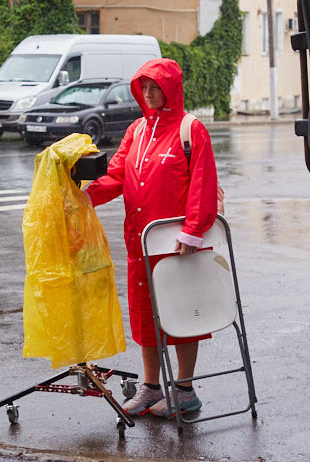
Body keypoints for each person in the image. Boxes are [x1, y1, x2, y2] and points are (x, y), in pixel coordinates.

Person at [85, 57, 219, 417]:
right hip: (139, 243)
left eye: (155, 86)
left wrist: (193, 232)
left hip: (176, 246)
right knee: (146, 317)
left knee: (180, 315)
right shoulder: (137, 131)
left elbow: (203, 184)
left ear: (170, 88)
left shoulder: (191, 130)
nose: (148, 92)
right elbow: (116, 175)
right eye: (143, 87)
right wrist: (86, 197)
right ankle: (150, 388)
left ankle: (186, 390)